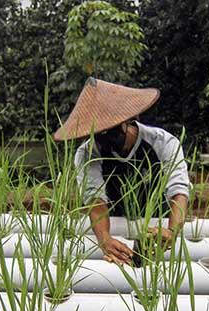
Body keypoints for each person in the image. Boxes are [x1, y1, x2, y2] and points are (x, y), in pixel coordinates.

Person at [53, 77, 190, 265]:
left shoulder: (162, 142)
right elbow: (95, 198)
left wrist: (172, 231)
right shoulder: (88, 152)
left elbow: (179, 190)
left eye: (109, 131)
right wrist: (104, 239)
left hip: (159, 222)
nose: (103, 139)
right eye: (96, 134)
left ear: (126, 122)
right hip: (117, 221)